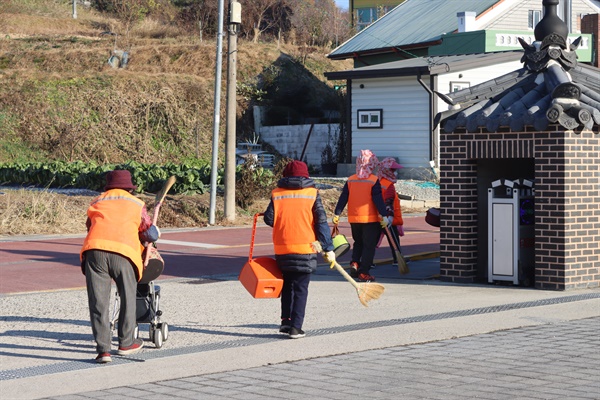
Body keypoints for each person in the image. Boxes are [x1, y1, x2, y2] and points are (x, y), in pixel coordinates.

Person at [80, 169, 160, 363]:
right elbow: (148, 232)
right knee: (128, 295)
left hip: (95, 252)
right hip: (123, 253)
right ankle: (126, 343)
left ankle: (103, 351)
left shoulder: (97, 201)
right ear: (129, 188)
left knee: (98, 302)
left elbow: (89, 226)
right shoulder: (136, 204)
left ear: (109, 186)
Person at [264, 160, 335, 339]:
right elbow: (320, 222)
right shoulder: (312, 193)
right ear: (306, 175)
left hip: (283, 247)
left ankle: (286, 322)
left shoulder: (277, 193)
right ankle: (296, 327)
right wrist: (328, 247)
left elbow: (268, 219)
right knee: (301, 288)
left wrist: (284, 223)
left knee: (287, 285)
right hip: (306, 247)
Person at [332, 149, 389, 282]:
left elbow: (343, 197)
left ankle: (355, 263)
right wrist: (384, 215)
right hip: (370, 219)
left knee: (358, 242)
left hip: (354, 218)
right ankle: (364, 272)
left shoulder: (351, 180)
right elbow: (378, 199)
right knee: (369, 246)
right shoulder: (373, 180)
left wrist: (337, 213)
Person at [378, 157, 405, 265]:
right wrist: (389, 216)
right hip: (388, 217)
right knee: (394, 239)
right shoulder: (388, 185)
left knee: (372, 240)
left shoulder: (379, 182)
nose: (395, 172)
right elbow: (388, 201)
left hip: (378, 216)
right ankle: (398, 259)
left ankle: (367, 261)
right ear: (387, 171)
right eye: (393, 170)